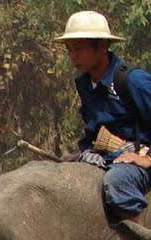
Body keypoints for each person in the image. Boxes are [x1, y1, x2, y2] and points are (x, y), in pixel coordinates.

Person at [56, 10, 151, 220]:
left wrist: (147, 159)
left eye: (79, 48)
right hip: (104, 158)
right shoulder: (84, 84)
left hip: (137, 164)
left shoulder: (133, 81)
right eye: (69, 49)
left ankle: (141, 239)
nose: (73, 55)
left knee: (117, 182)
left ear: (103, 46)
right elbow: (93, 131)